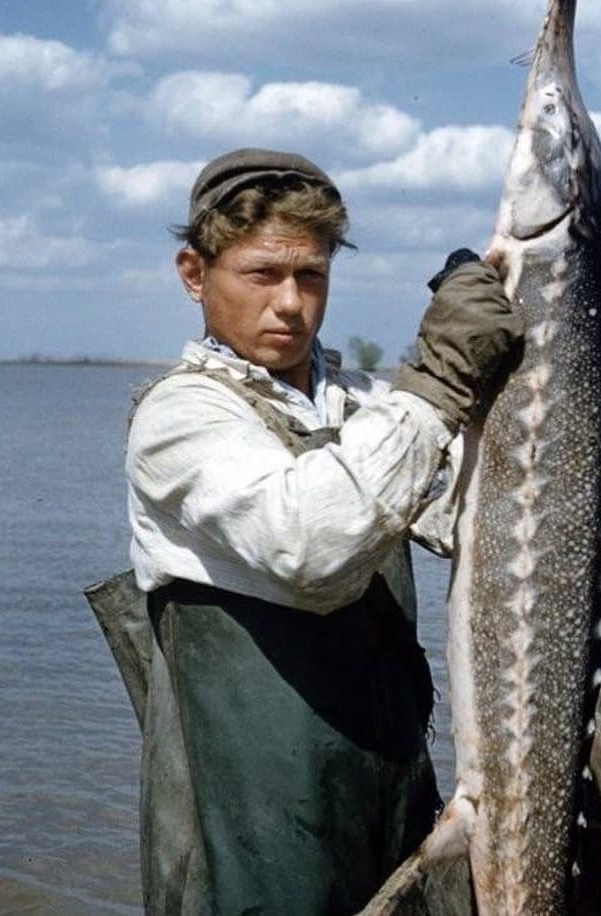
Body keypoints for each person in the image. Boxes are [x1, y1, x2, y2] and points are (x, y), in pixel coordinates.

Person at [124, 148, 523, 915]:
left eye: (311, 276)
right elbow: (309, 544)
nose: (290, 303)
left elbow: (460, 517)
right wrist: (439, 379)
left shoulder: (362, 404)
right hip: (246, 828)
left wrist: (504, 385)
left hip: (384, 788)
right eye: (261, 274)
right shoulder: (179, 416)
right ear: (194, 272)